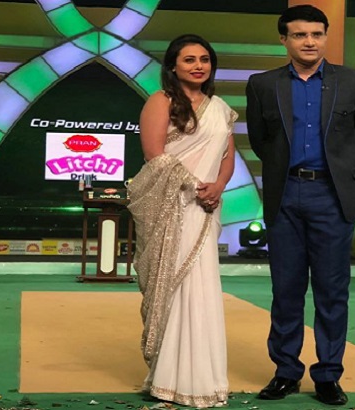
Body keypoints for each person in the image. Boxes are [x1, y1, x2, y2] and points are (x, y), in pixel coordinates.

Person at [245, 4, 355, 406]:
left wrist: (340, 172)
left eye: (317, 34)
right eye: (300, 35)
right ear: (284, 39)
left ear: (325, 37)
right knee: (285, 290)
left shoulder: (354, 81)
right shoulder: (262, 84)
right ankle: (286, 371)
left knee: (331, 291)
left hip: (331, 196)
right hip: (285, 194)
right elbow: (260, 140)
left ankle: (328, 375)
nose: (309, 42)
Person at [127, 34, 237, 408]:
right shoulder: (161, 101)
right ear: (173, 66)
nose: (198, 65)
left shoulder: (220, 108)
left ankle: (202, 379)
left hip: (206, 207)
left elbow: (226, 157)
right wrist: (193, 186)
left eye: (204, 59)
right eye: (189, 59)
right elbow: (154, 156)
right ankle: (168, 378)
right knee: (174, 288)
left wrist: (217, 187)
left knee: (202, 287)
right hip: (172, 206)